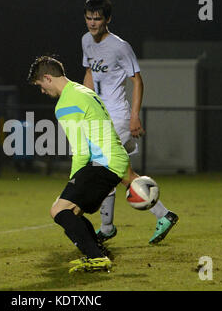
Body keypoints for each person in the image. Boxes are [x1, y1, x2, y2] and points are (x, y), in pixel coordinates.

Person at [28, 55, 142, 273]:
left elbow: (80, 150)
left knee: (59, 210)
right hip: (112, 159)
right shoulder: (84, 91)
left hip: (103, 163)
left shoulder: (66, 103)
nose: (42, 91)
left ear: (47, 77)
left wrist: (74, 179)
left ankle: (97, 257)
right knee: (73, 211)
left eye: (40, 86)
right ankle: (98, 252)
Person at [81, 0, 179, 244]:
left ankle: (115, 226)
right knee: (115, 172)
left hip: (119, 118)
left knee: (106, 169)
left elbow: (137, 81)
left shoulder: (120, 46)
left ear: (108, 19)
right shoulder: (86, 41)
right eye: (89, 18)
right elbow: (90, 73)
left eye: (97, 19)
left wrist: (134, 116)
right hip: (101, 118)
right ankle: (112, 226)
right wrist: (82, 105)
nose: (92, 23)